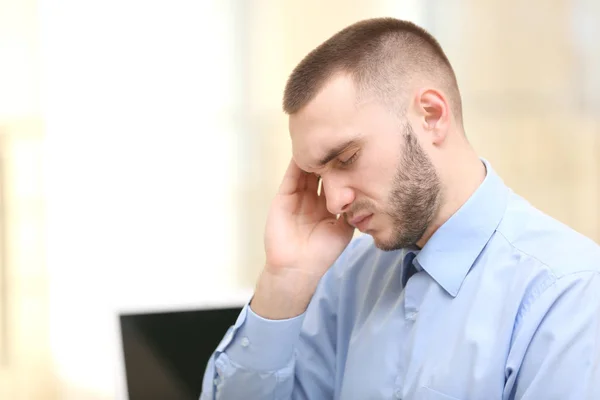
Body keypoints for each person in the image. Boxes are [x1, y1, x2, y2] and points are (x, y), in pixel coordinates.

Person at [200, 17, 600, 400]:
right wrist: (283, 281)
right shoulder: (344, 278)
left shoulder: (568, 294)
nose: (334, 201)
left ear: (431, 116)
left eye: (346, 158)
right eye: (318, 174)